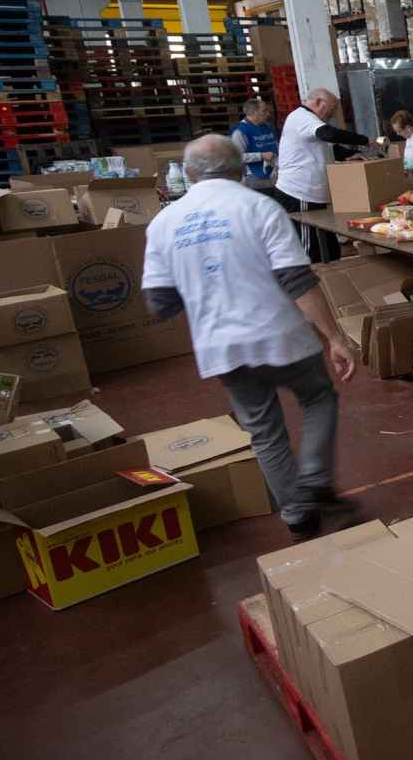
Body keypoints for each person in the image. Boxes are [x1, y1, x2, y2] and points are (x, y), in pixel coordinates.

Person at [142, 135, 360, 542]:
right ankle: (313, 481)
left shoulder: (164, 224)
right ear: (240, 169)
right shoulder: (258, 207)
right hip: (278, 335)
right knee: (317, 398)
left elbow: (160, 304)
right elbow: (296, 280)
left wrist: (202, 280)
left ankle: (298, 515)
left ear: (187, 174)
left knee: (264, 431)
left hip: (221, 346)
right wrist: (335, 337)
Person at [275, 87, 370, 262]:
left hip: (314, 196)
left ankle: (334, 279)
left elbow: (329, 149)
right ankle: (314, 285)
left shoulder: (311, 123)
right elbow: (329, 134)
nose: (332, 114)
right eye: (332, 109)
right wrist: (364, 140)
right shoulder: (302, 117)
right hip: (299, 193)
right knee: (310, 248)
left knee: (330, 248)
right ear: (319, 102)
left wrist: (352, 154)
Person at [230, 98, 278, 189]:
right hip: (255, 180)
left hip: (275, 176)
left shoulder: (267, 127)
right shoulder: (240, 131)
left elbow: (276, 146)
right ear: (255, 113)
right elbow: (237, 157)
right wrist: (261, 156)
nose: (268, 114)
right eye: (264, 111)